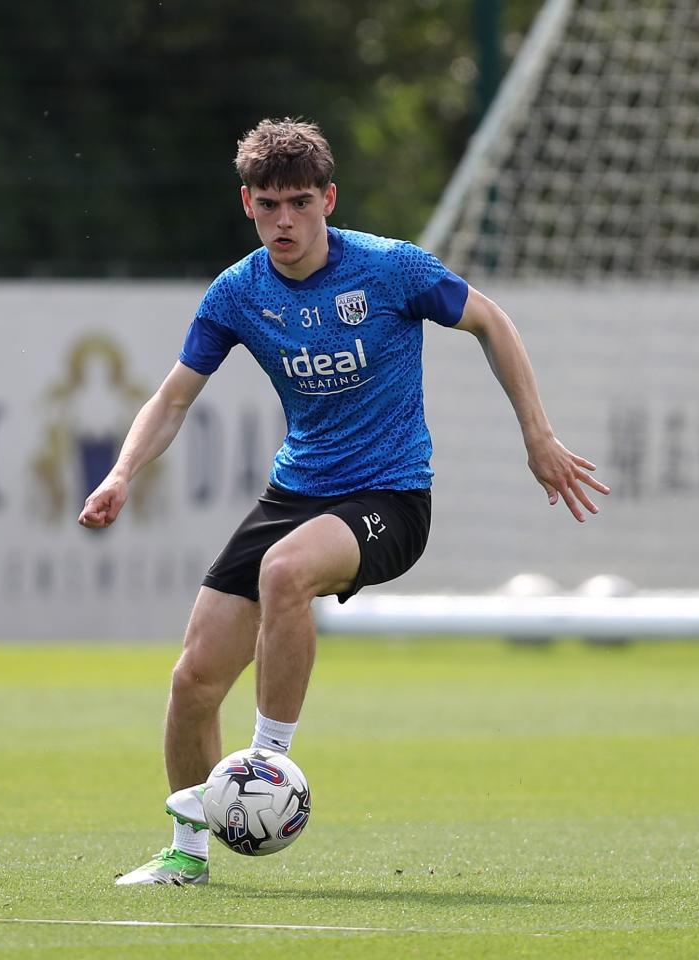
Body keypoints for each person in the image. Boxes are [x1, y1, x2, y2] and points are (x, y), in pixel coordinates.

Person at [78, 118, 609, 886]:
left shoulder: (390, 271)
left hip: (390, 498)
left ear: (329, 198)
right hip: (295, 493)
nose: (284, 220)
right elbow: (172, 398)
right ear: (247, 205)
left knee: (285, 573)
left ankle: (269, 767)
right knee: (193, 681)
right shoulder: (237, 293)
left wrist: (538, 435)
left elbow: (490, 320)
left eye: (300, 202)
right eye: (268, 205)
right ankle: (186, 855)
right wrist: (122, 473)